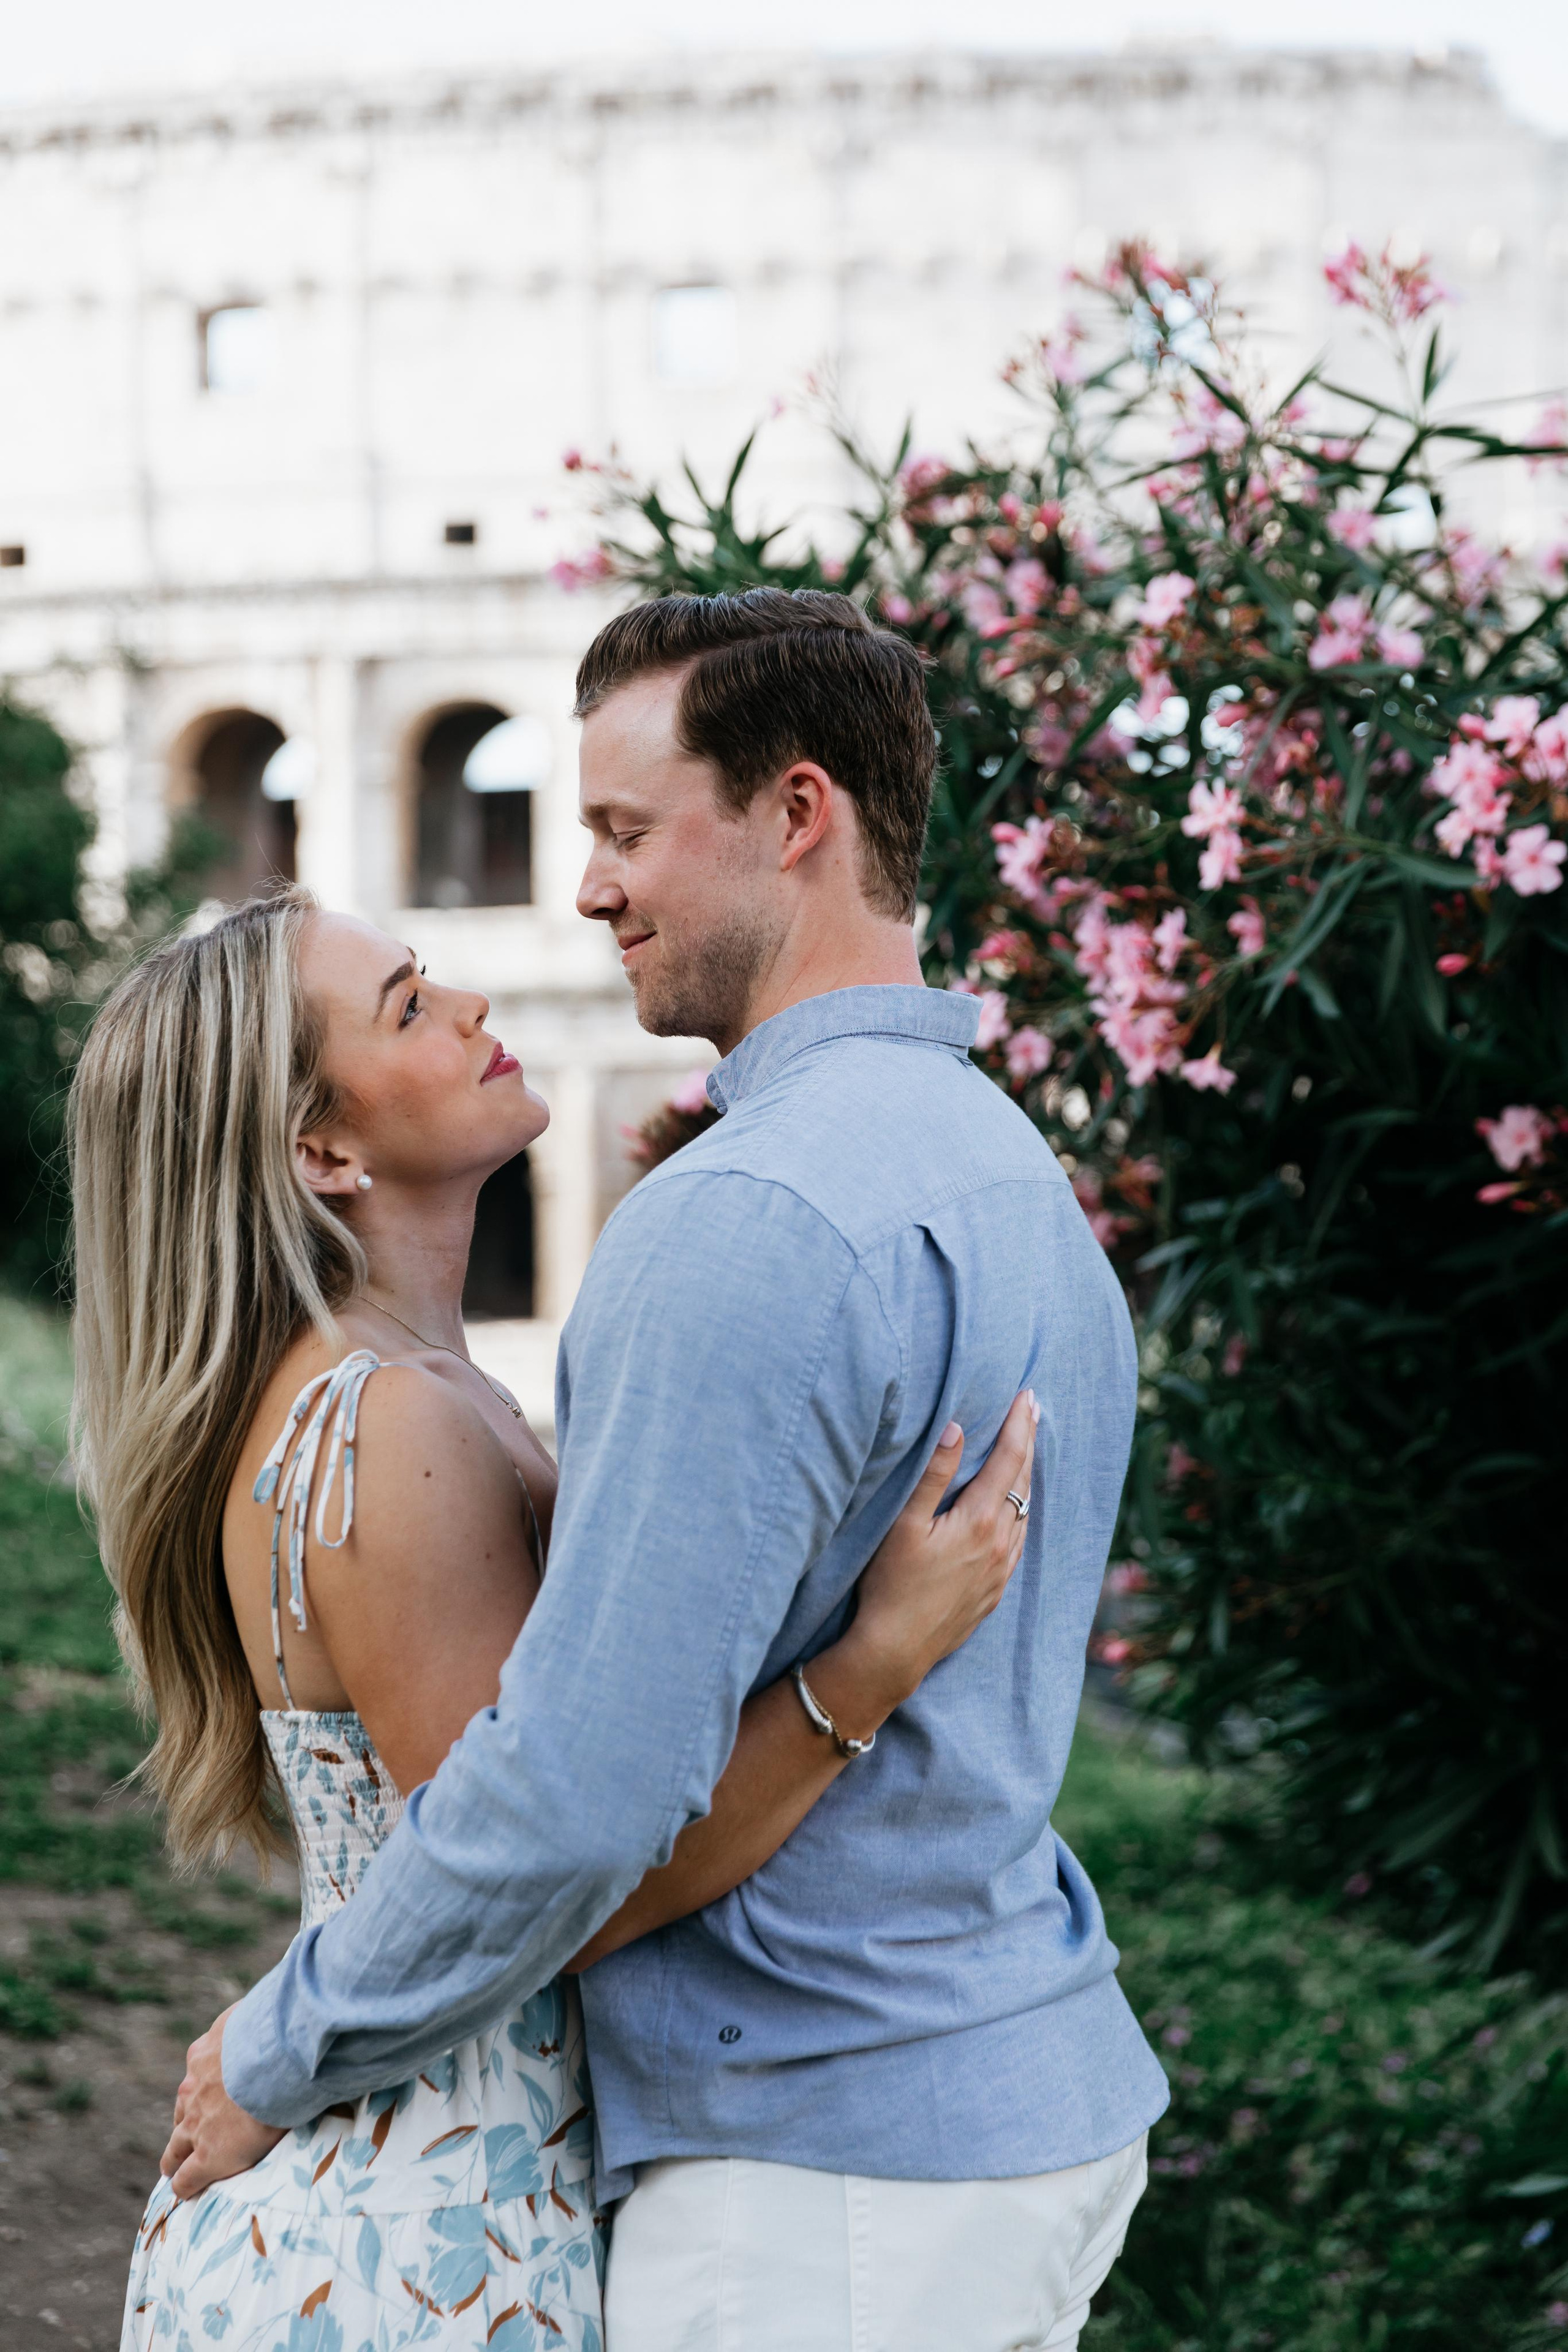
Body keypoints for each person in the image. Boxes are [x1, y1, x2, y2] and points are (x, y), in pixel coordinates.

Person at [159, 589, 1170, 2351]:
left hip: (825, 2166)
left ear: (796, 817)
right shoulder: (1004, 1166)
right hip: (1003, 2094)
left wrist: (273, 2046)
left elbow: (568, 1800)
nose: (587, 888)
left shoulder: (742, 1220)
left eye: (627, 830)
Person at [72, 886, 1038, 2352]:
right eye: (405, 1004)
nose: (466, 1004)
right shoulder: (388, 1433)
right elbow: (556, 1881)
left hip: (432, 2180)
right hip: (432, 2227)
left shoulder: (418, 1397)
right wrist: (875, 1660)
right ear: (319, 1151)